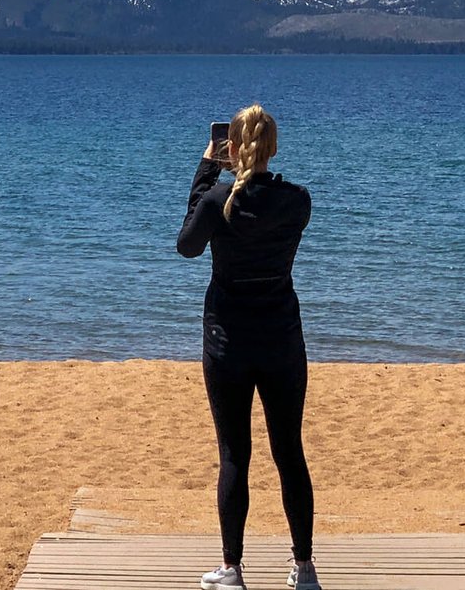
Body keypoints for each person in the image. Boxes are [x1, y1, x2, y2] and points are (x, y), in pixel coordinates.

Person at [177, 102, 321, 590]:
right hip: (281, 340)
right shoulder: (297, 201)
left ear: (231, 148)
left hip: (228, 342)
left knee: (235, 455)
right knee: (290, 452)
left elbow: (187, 245)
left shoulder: (218, 200)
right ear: (273, 147)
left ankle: (232, 570)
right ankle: (304, 568)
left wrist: (206, 170)